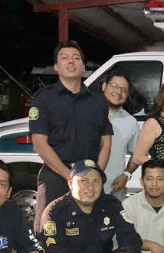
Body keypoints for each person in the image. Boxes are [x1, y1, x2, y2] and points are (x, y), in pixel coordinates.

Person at [29, 40, 113, 233]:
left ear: (83, 66)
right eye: (64, 58)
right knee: (49, 231)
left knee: (91, 232)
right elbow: (40, 144)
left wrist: (95, 174)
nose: (71, 62)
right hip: (57, 175)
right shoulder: (43, 98)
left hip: (88, 177)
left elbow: (106, 142)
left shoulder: (98, 101)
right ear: (56, 67)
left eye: (76, 58)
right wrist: (70, 176)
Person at [101, 72, 140, 201]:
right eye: (115, 86)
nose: (119, 92)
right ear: (104, 86)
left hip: (114, 190)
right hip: (85, 188)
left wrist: (126, 174)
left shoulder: (131, 122)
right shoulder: (87, 114)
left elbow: (137, 153)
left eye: (124, 90)